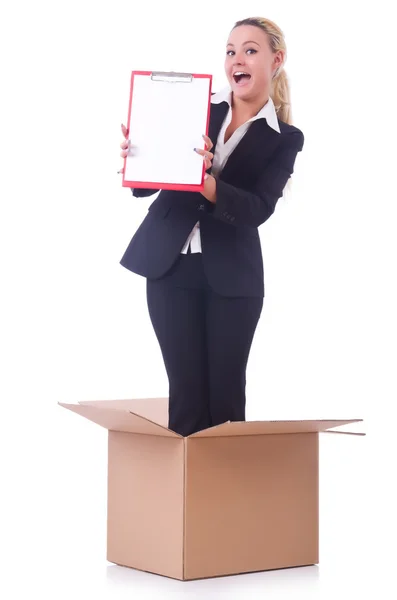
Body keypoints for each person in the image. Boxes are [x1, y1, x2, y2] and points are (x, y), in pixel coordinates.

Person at [118, 17, 304, 437]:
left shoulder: (285, 138)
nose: (237, 59)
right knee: (185, 397)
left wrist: (209, 184)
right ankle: (188, 503)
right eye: (230, 50)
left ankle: (227, 502)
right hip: (170, 266)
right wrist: (140, 154)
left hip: (233, 279)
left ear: (277, 59)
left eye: (250, 50)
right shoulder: (196, 105)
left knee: (224, 403)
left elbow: (258, 208)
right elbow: (149, 183)